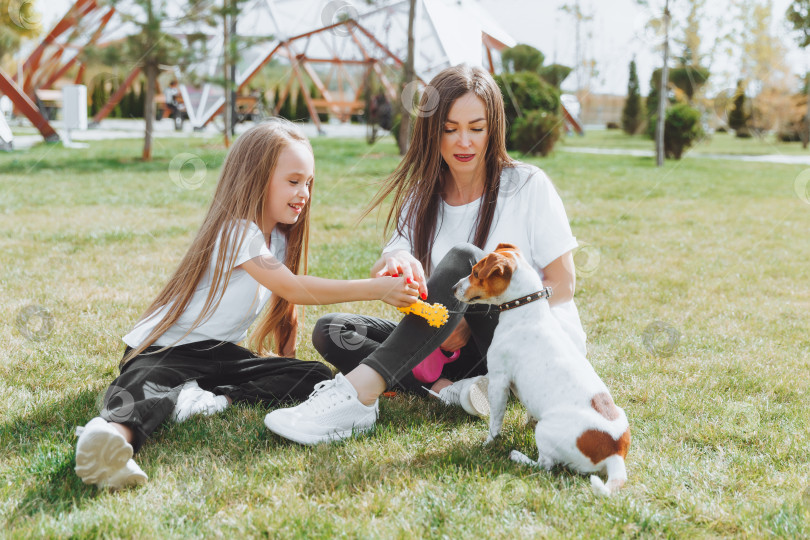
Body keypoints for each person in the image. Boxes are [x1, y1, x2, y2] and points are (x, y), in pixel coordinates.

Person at [74, 119, 419, 489]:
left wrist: (286, 358)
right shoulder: (237, 232)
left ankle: (205, 399)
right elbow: (295, 289)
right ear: (256, 177)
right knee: (147, 390)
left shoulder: (280, 240)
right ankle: (109, 439)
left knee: (313, 375)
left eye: (308, 182)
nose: (304, 192)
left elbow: (287, 308)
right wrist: (376, 289)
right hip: (164, 350)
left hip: (218, 355)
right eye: (293, 181)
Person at [264, 65, 587, 446]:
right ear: (432, 131)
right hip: (450, 349)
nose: (463, 142)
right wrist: (398, 266)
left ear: (493, 129)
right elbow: (392, 257)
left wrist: (473, 313)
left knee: (467, 258)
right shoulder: (422, 197)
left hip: (524, 342)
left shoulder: (528, 185)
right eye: (449, 129)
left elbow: (563, 286)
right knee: (333, 330)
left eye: (476, 128)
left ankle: (358, 394)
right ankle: (451, 390)